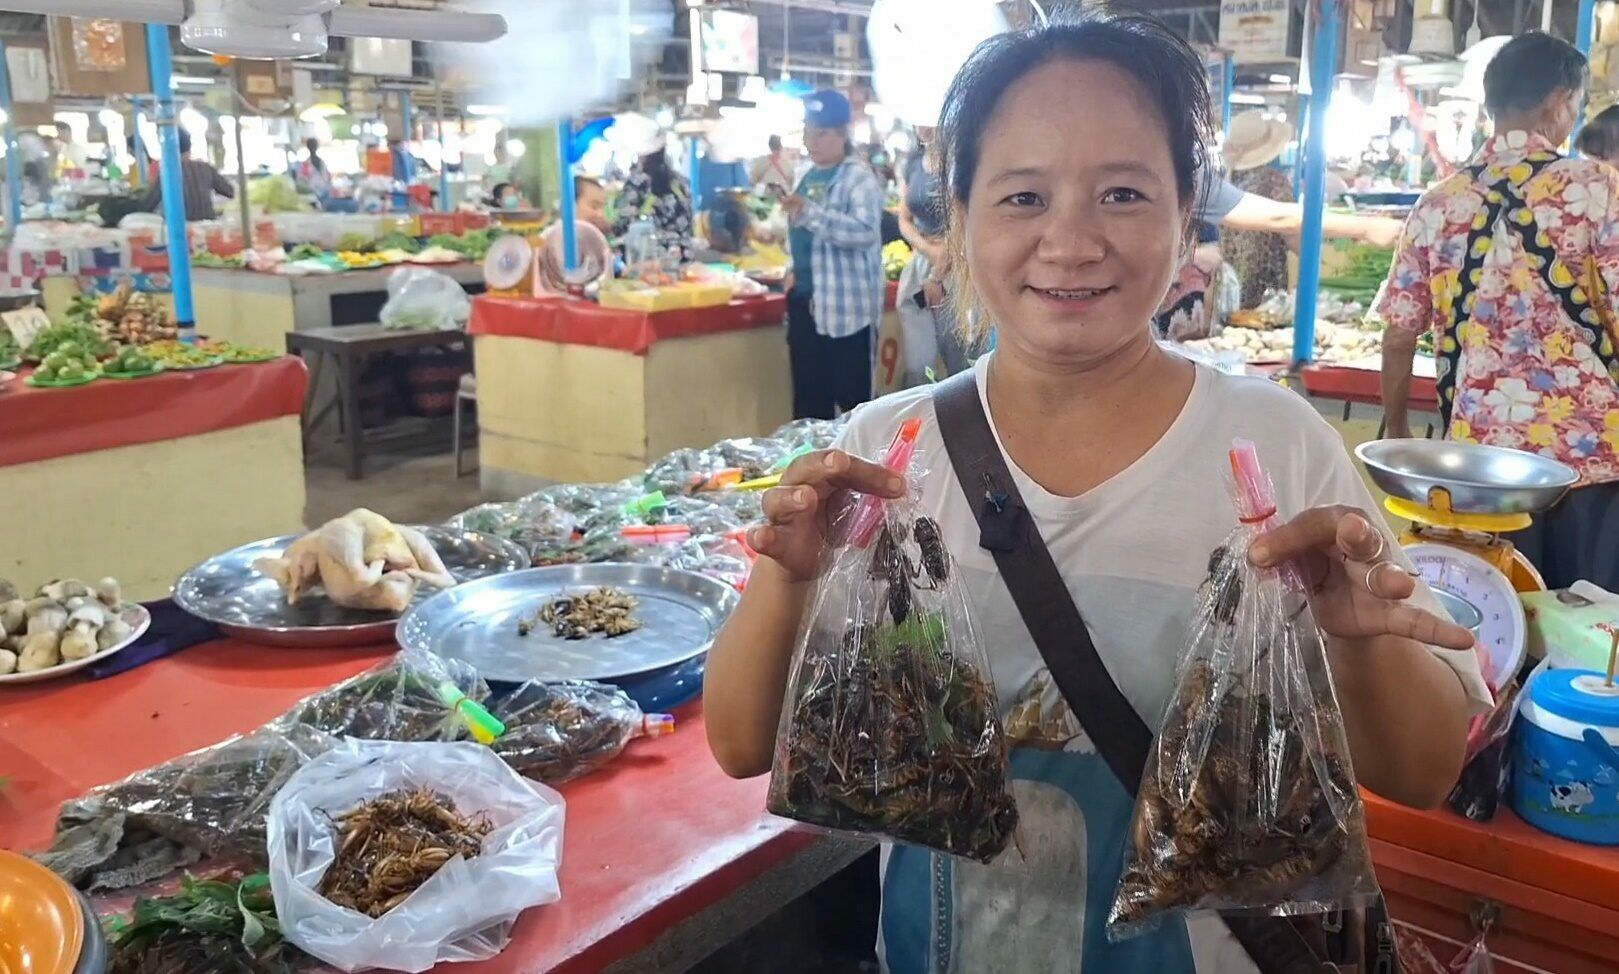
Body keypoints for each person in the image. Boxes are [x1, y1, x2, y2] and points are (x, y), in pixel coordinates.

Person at [705, 11, 1488, 973]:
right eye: (1023, 196)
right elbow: (743, 746)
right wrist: (785, 580)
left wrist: (1355, 645)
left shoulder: (1271, 449)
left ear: (1184, 208)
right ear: (958, 212)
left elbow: (1419, 772)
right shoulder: (885, 454)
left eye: (1122, 193)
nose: (1070, 244)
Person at [1380, 32, 1619, 592]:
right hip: (1595, 463)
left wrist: (1398, 427)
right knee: (1592, 633)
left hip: (1481, 471)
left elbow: (1398, 335)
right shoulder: (1596, 190)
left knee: (1496, 633)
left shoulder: (1439, 202)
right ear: (1559, 101)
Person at [783, 89, 886, 420]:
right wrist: (791, 266)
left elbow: (865, 232)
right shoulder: (804, 174)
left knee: (853, 408)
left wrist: (811, 213)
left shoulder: (858, 177)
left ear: (842, 134)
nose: (810, 141)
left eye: (820, 133)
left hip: (848, 311)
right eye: (807, 131)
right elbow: (798, 233)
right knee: (809, 404)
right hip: (804, 304)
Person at [896, 130, 971, 380]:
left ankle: (964, 414)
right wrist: (927, 251)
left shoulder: (963, 158)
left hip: (960, 262)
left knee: (960, 357)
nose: (923, 125)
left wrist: (939, 270)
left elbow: (968, 215)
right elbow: (904, 219)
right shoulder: (913, 163)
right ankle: (925, 414)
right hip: (922, 261)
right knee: (919, 364)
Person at [1222, 110, 1295, 309]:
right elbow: (1291, 230)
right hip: (1263, 280)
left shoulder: (1222, 181)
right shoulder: (1274, 182)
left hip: (1227, 279)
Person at [537, 176, 616, 291]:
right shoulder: (553, 239)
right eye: (594, 206)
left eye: (602, 208)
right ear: (570, 204)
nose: (600, 214)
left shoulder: (592, 239)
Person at [141, 129, 234, 221]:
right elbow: (230, 192)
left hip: (179, 229)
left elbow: (148, 205)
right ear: (190, 146)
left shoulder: (168, 172)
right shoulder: (205, 167)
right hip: (207, 226)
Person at [612, 146, 693, 243]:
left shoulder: (636, 183)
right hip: (682, 249)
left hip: (648, 250)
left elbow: (622, 224)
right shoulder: (681, 182)